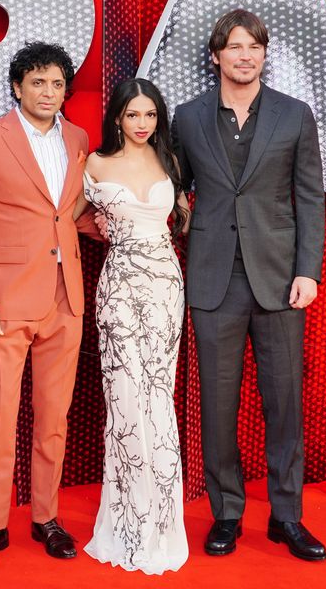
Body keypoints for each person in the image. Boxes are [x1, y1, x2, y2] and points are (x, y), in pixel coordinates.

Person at [172, 9, 326, 561]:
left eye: (255, 47)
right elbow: (172, 191)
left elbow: (309, 197)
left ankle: (287, 516)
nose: (246, 56)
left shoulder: (294, 116)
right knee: (217, 406)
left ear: (264, 54)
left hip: (281, 280)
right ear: (216, 56)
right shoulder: (188, 119)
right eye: (235, 47)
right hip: (213, 282)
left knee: (284, 403)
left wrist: (308, 269)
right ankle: (227, 513)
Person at [0, 42, 98, 568]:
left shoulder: (79, 138)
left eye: (57, 84)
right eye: (38, 82)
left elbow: (72, 215)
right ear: (17, 87)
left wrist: (128, 224)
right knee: (0, 415)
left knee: (53, 417)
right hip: (7, 302)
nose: (48, 92)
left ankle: (45, 517)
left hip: (67, 298)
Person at [74, 78, 191, 574]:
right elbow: (70, 216)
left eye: (149, 115)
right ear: (117, 118)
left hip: (166, 287)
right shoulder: (95, 165)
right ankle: (127, 523)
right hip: (119, 288)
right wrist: (108, 231)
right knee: (125, 399)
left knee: (158, 398)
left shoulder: (170, 162)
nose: (142, 124)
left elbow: (182, 214)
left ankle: (162, 522)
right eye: (132, 115)